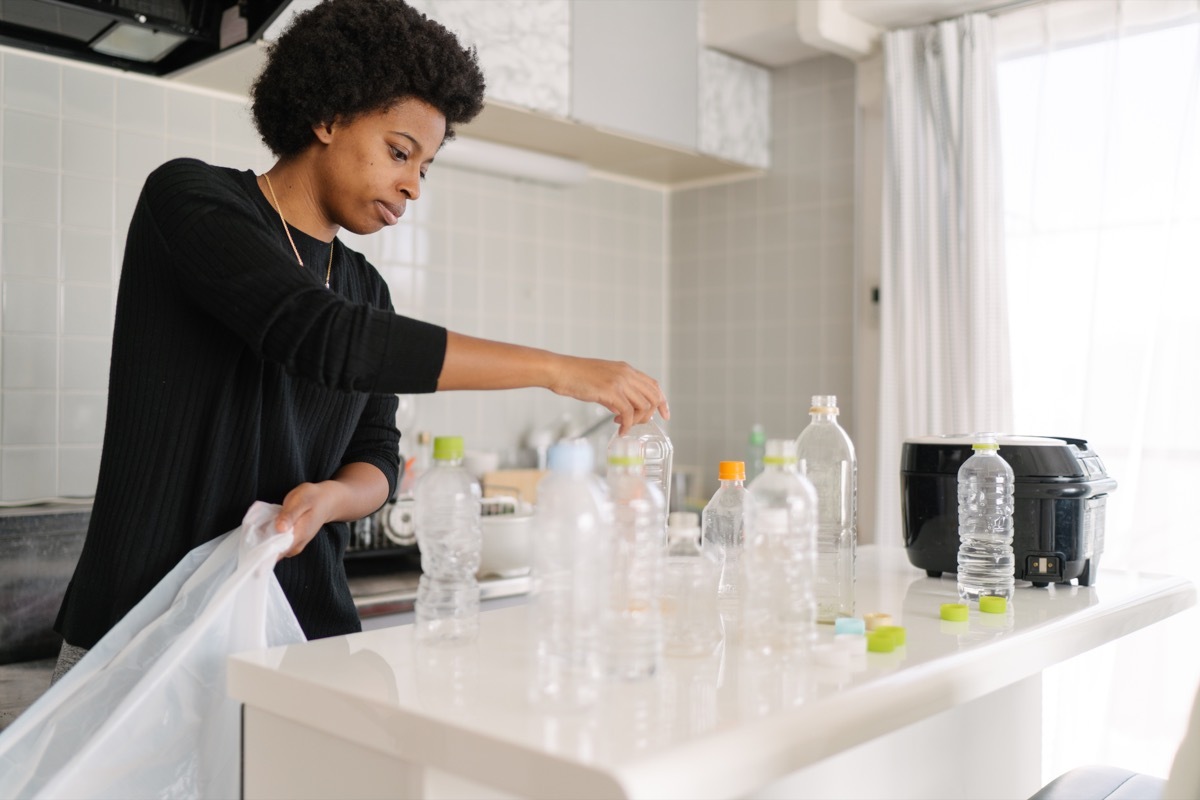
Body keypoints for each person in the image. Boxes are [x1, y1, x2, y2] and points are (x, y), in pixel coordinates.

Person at [51, 0, 668, 680]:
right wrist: (556, 369)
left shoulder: (366, 288)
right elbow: (319, 336)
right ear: (327, 116)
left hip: (296, 644)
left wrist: (331, 499)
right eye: (400, 152)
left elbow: (375, 454)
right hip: (145, 642)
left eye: (424, 167)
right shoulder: (190, 201)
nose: (412, 185)